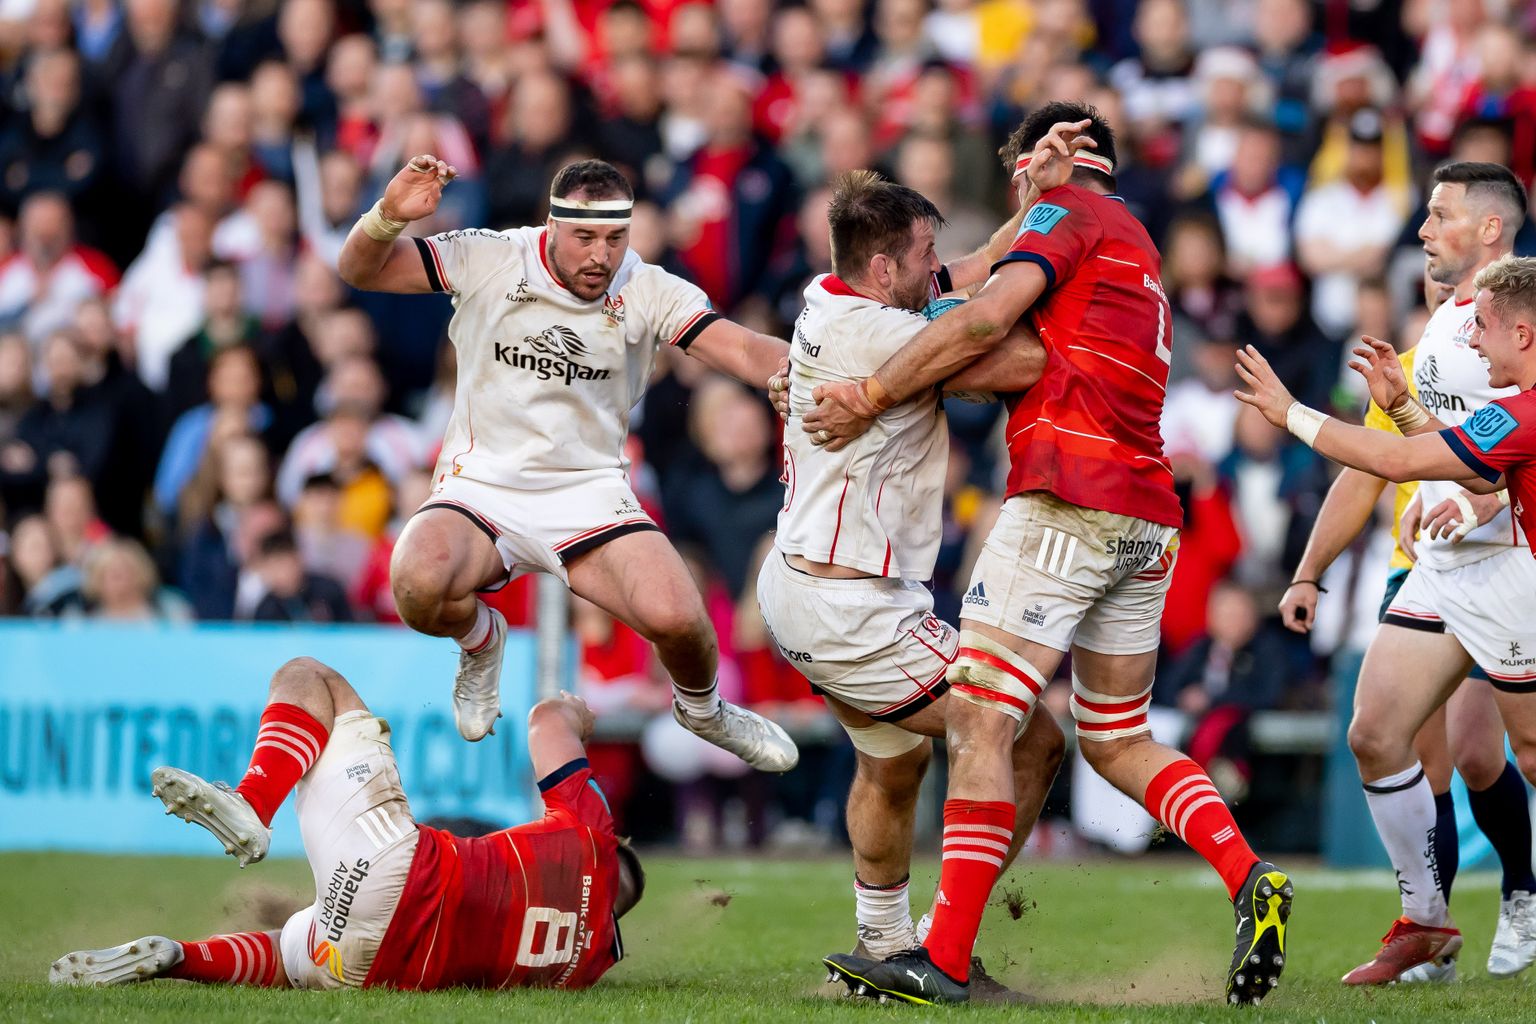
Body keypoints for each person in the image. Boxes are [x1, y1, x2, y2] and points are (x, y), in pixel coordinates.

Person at [809, 102, 1292, 1006]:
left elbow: (986, 321)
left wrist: (871, 389)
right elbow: (988, 299)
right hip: (1148, 516)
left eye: (1016, 164)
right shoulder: (1136, 239)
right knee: (1117, 740)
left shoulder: (1061, 215)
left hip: (1068, 498)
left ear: (1044, 158)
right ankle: (1247, 875)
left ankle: (941, 958)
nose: (1014, 182)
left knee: (981, 719)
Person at [336, 154, 797, 772]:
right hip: (483, 486)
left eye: (615, 238)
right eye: (584, 237)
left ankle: (704, 710)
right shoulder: (492, 255)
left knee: (682, 620)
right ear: (550, 228)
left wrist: (820, 371)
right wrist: (388, 215)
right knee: (415, 582)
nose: (601, 256)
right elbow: (358, 269)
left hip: (589, 491)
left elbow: (737, 345)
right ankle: (481, 641)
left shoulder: (646, 285)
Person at [758, 168, 1065, 975]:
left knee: (893, 766)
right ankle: (941, 944)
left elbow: (963, 279)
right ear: (884, 270)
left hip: (814, 585)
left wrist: (1033, 214)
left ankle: (883, 944)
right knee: (1023, 736)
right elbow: (1019, 360)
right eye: (926, 255)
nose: (940, 268)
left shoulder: (832, 300)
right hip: (850, 607)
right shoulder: (884, 338)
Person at [1237, 252, 1536, 982]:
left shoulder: (1524, 409)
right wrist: (1402, 407)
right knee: (1374, 732)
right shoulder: (1490, 382)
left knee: (1524, 754)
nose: (1472, 341)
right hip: (1459, 573)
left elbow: (1400, 467)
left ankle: (1519, 896)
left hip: (1516, 585)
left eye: (1486, 330)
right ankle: (1425, 924)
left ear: (1523, 335)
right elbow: (1450, 459)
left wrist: (1291, 414)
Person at [49, 658, 643, 991]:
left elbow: (545, 723)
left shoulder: (591, 836)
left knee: (309, 679)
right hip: (374, 968)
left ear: (615, 851)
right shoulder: (583, 967)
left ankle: (255, 802)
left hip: (399, 871)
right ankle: (180, 956)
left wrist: (575, 713)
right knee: (290, 955)